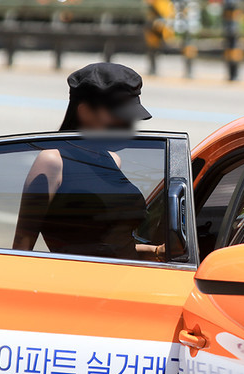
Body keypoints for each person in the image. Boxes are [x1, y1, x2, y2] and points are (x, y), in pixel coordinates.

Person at [12, 63, 165, 261]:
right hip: (81, 284)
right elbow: (22, 247)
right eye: (120, 117)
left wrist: (157, 251)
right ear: (85, 112)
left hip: (126, 282)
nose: (127, 126)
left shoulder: (113, 160)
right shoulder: (53, 161)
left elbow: (115, 249)